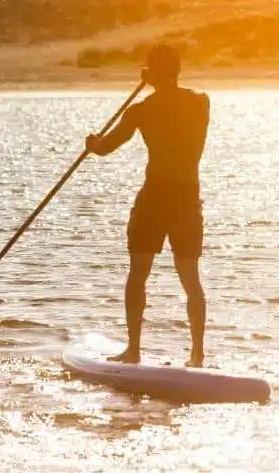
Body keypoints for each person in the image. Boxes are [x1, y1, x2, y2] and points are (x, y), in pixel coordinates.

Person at [85, 44, 210, 367]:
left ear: (151, 73)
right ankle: (196, 355)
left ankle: (134, 350)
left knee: (138, 274)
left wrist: (92, 143)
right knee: (190, 278)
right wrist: (158, 78)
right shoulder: (200, 102)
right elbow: (174, 97)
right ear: (179, 70)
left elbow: (105, 148)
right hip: (186, 199)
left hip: (154, 199)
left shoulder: (141, 110)